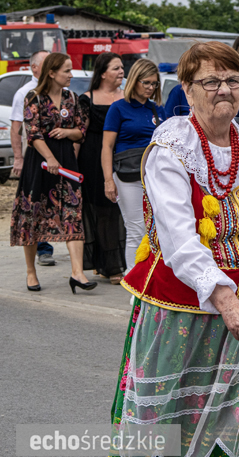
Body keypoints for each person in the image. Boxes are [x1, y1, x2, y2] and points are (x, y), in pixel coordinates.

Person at [107, 41, 239, 457]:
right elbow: (178, 239)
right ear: (188, 90)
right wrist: (224, 298)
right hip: (185, 309)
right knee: (173, 434)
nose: (224, 90)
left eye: (233, 80)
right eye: (210, 81)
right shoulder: (171, 148)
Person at [10, 52, 96, 293]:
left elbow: (81, 130)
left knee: (72, 214)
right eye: (66, 71)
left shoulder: (72, 98)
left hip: (67, 163)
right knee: (33, 216)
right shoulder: (33, 97)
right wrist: (50, 158)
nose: (71, 75)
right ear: (51, 73)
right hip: (40, 163)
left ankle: (77, 273)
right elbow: (33, 134)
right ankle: (30, 272)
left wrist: (68, 134)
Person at [102, 59, 166, 270]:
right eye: (146, 82)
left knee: (154, 229)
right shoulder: (118, 108)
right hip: (127, 176)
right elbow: (107, 147)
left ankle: (148, 276)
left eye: (154, 84)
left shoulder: (157, 110)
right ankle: (133, 278)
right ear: (134, 81)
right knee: (136, 229)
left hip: (154, 176)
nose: (150, 88)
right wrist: (108, 180)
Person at [78, 52, 127, 284]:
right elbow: (80, 135)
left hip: (121, 157)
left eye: (121, 68)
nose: (121, 72)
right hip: (93, 158)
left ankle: (111, 262)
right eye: (116, 68)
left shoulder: (126, 97)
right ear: (103, 72)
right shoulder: (87, 99)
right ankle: (109, 264)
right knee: (100, 210)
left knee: (115, 211)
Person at [10, 49, 56, 267]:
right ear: (34, 67)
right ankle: (42, 248)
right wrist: (18, 158)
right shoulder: (25, 93)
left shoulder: (58, 91)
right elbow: (17, 128)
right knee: (34, 201)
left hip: (58, 154)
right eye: (47, 63)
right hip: (35, 157)